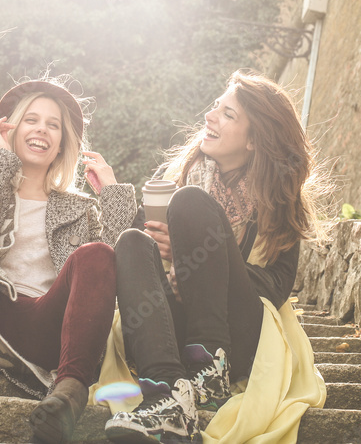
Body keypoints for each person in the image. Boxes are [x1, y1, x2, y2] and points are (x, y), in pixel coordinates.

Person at [0, 79, 137, 443]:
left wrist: (111, 193)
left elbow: (109, 276)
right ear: (9, 128)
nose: (41, 130)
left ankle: (69, 393)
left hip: (45, 328)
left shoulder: (80, 209)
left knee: (97, 253)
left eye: (53, 125)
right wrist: (0, 159)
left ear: (63, 143)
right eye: (31, 120)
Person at [104, 70, 323, 443]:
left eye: (228, 114)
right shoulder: (176, 176)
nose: (209, 116)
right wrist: (163, 253)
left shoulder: (279, 200)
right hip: (175, 324)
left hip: (240, 333)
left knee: (191, 203)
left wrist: (196, 256)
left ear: (255, 140)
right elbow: (140, 268)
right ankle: (169, 395)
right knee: (130, 243)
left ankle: (210, 368)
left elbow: (276, 287)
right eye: (215, 108)